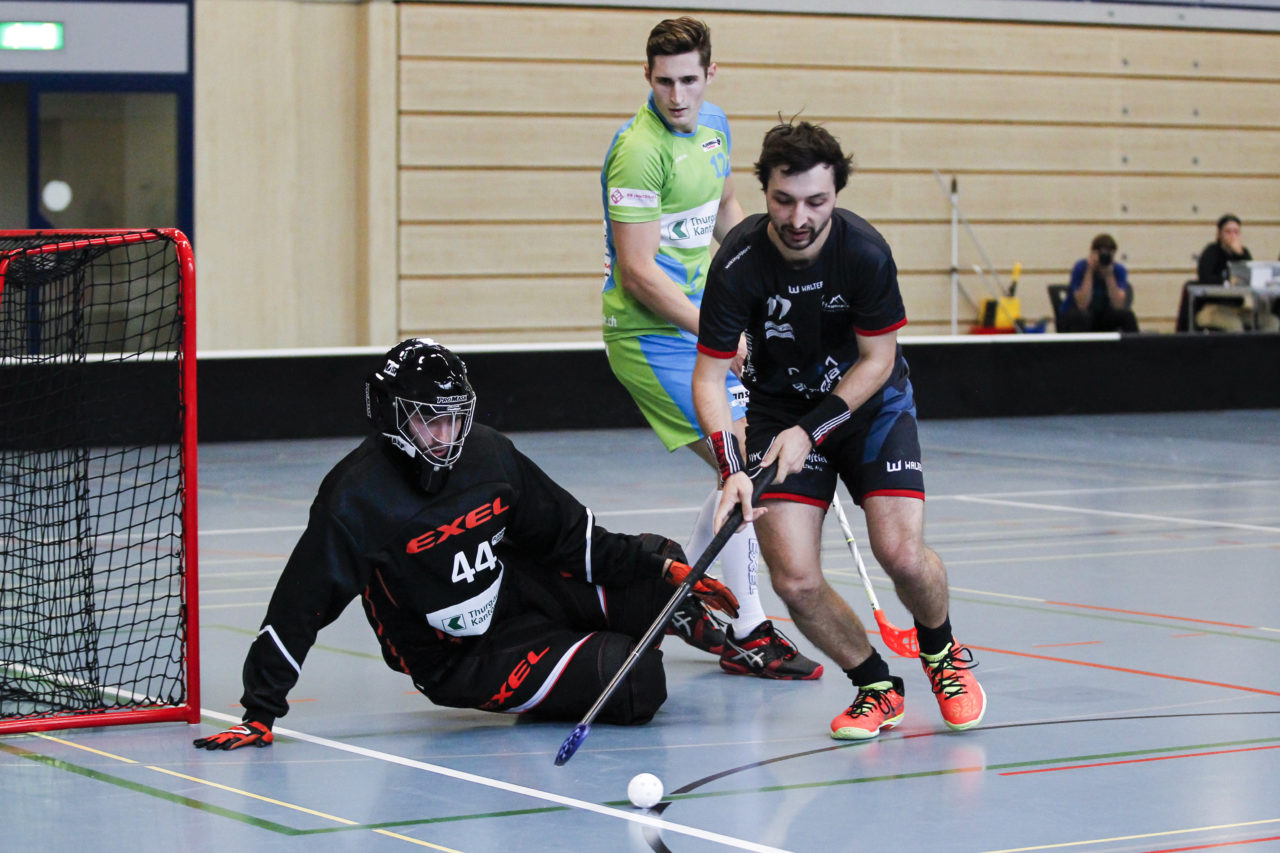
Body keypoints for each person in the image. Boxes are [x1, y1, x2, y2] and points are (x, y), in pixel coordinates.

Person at [192, 338, 739, 750]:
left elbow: (569, 535)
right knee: (637, 682)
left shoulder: (488, 454)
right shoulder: (354, 500)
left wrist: (660, 569)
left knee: (660, 563)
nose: (447, 437)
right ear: (390, 415)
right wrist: (259, 712)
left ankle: (672, 619)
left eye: (456, 420)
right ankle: (593, 650)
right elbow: (297, 608)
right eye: (431, 422)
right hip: (459, 659)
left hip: (516, 594)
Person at [691, 120, 987, 741]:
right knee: (794, 578)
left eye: (816, 201)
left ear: (837, 194)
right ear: (764, 190)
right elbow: (710, 379)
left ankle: (942, 652)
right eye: (783, 199)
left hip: (870, 405)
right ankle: (877, 686)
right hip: (778, 415)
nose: (799, 216)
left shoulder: (865, 253)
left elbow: (878, 360)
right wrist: (732, 471)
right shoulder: (738, 264)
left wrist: (812, 427)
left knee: (901, 554)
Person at [600, 17, 820, 679]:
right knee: (747, 463)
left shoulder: (717, 126)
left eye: (689, 80)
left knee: (746, 461)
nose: (677, 95)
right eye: (664, 81)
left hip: (702, 324)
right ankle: (750, 627)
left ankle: (688, 595)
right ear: (647, 77)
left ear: (710, 75)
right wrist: (721, 331)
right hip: (649, 337)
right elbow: (639, 272)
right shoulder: (639, 151)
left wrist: (766, 283)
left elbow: (725, 215)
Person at [1059, 234, 1139, 333]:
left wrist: (1109, 275)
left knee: (1127, 315)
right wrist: (1089, 271)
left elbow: (1118, 305)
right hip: (1074, 315)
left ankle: (1134, 347)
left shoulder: (1118, 270)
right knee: (1084, 316)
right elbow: (1082, 305)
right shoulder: (1081, 267)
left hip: (1102, 316)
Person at [1197, 213, 1251, 285]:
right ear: (1219, 234)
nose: (1232, 236)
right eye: (1228, 232)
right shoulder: (1211, 251)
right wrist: (1227, 280)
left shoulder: (1243, 252)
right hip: (1214, 294)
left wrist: (1239, 254)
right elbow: (1205, 278)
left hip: (1235, 295)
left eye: (1236, 232)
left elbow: (1250, 277)